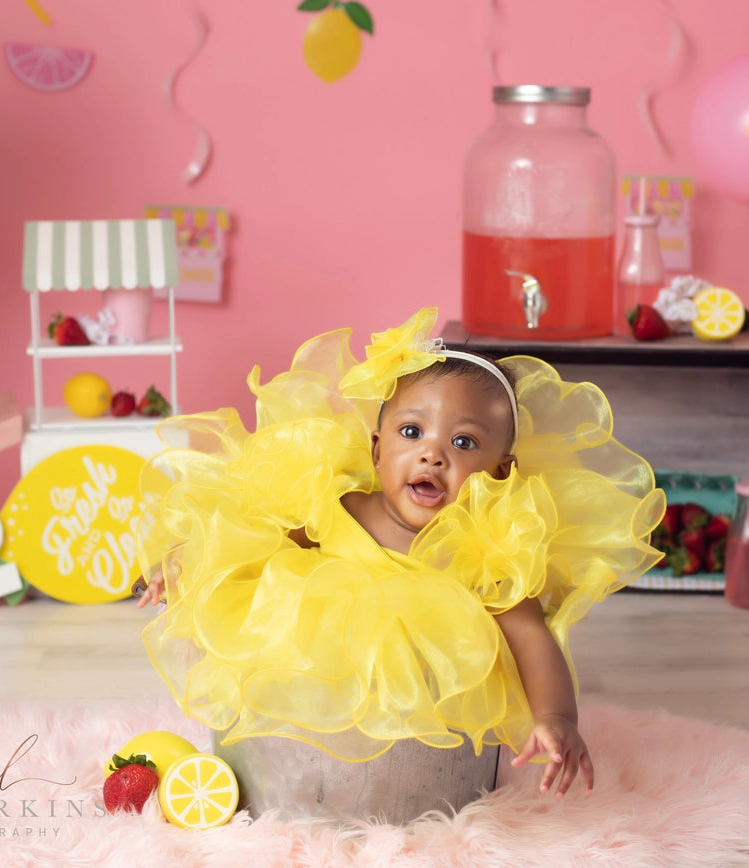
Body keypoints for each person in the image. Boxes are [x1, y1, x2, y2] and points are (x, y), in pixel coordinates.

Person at [135, 307, 664, 798]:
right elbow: (253, 543)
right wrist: (192, 565)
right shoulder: (340, 508)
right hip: (308, 686)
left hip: (423, 729)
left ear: (500, 472)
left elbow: (529, 634)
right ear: (377, 449)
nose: (432, 453)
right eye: (411, 432)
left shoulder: (484, 552)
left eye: (463, 443)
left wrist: (557, 716)